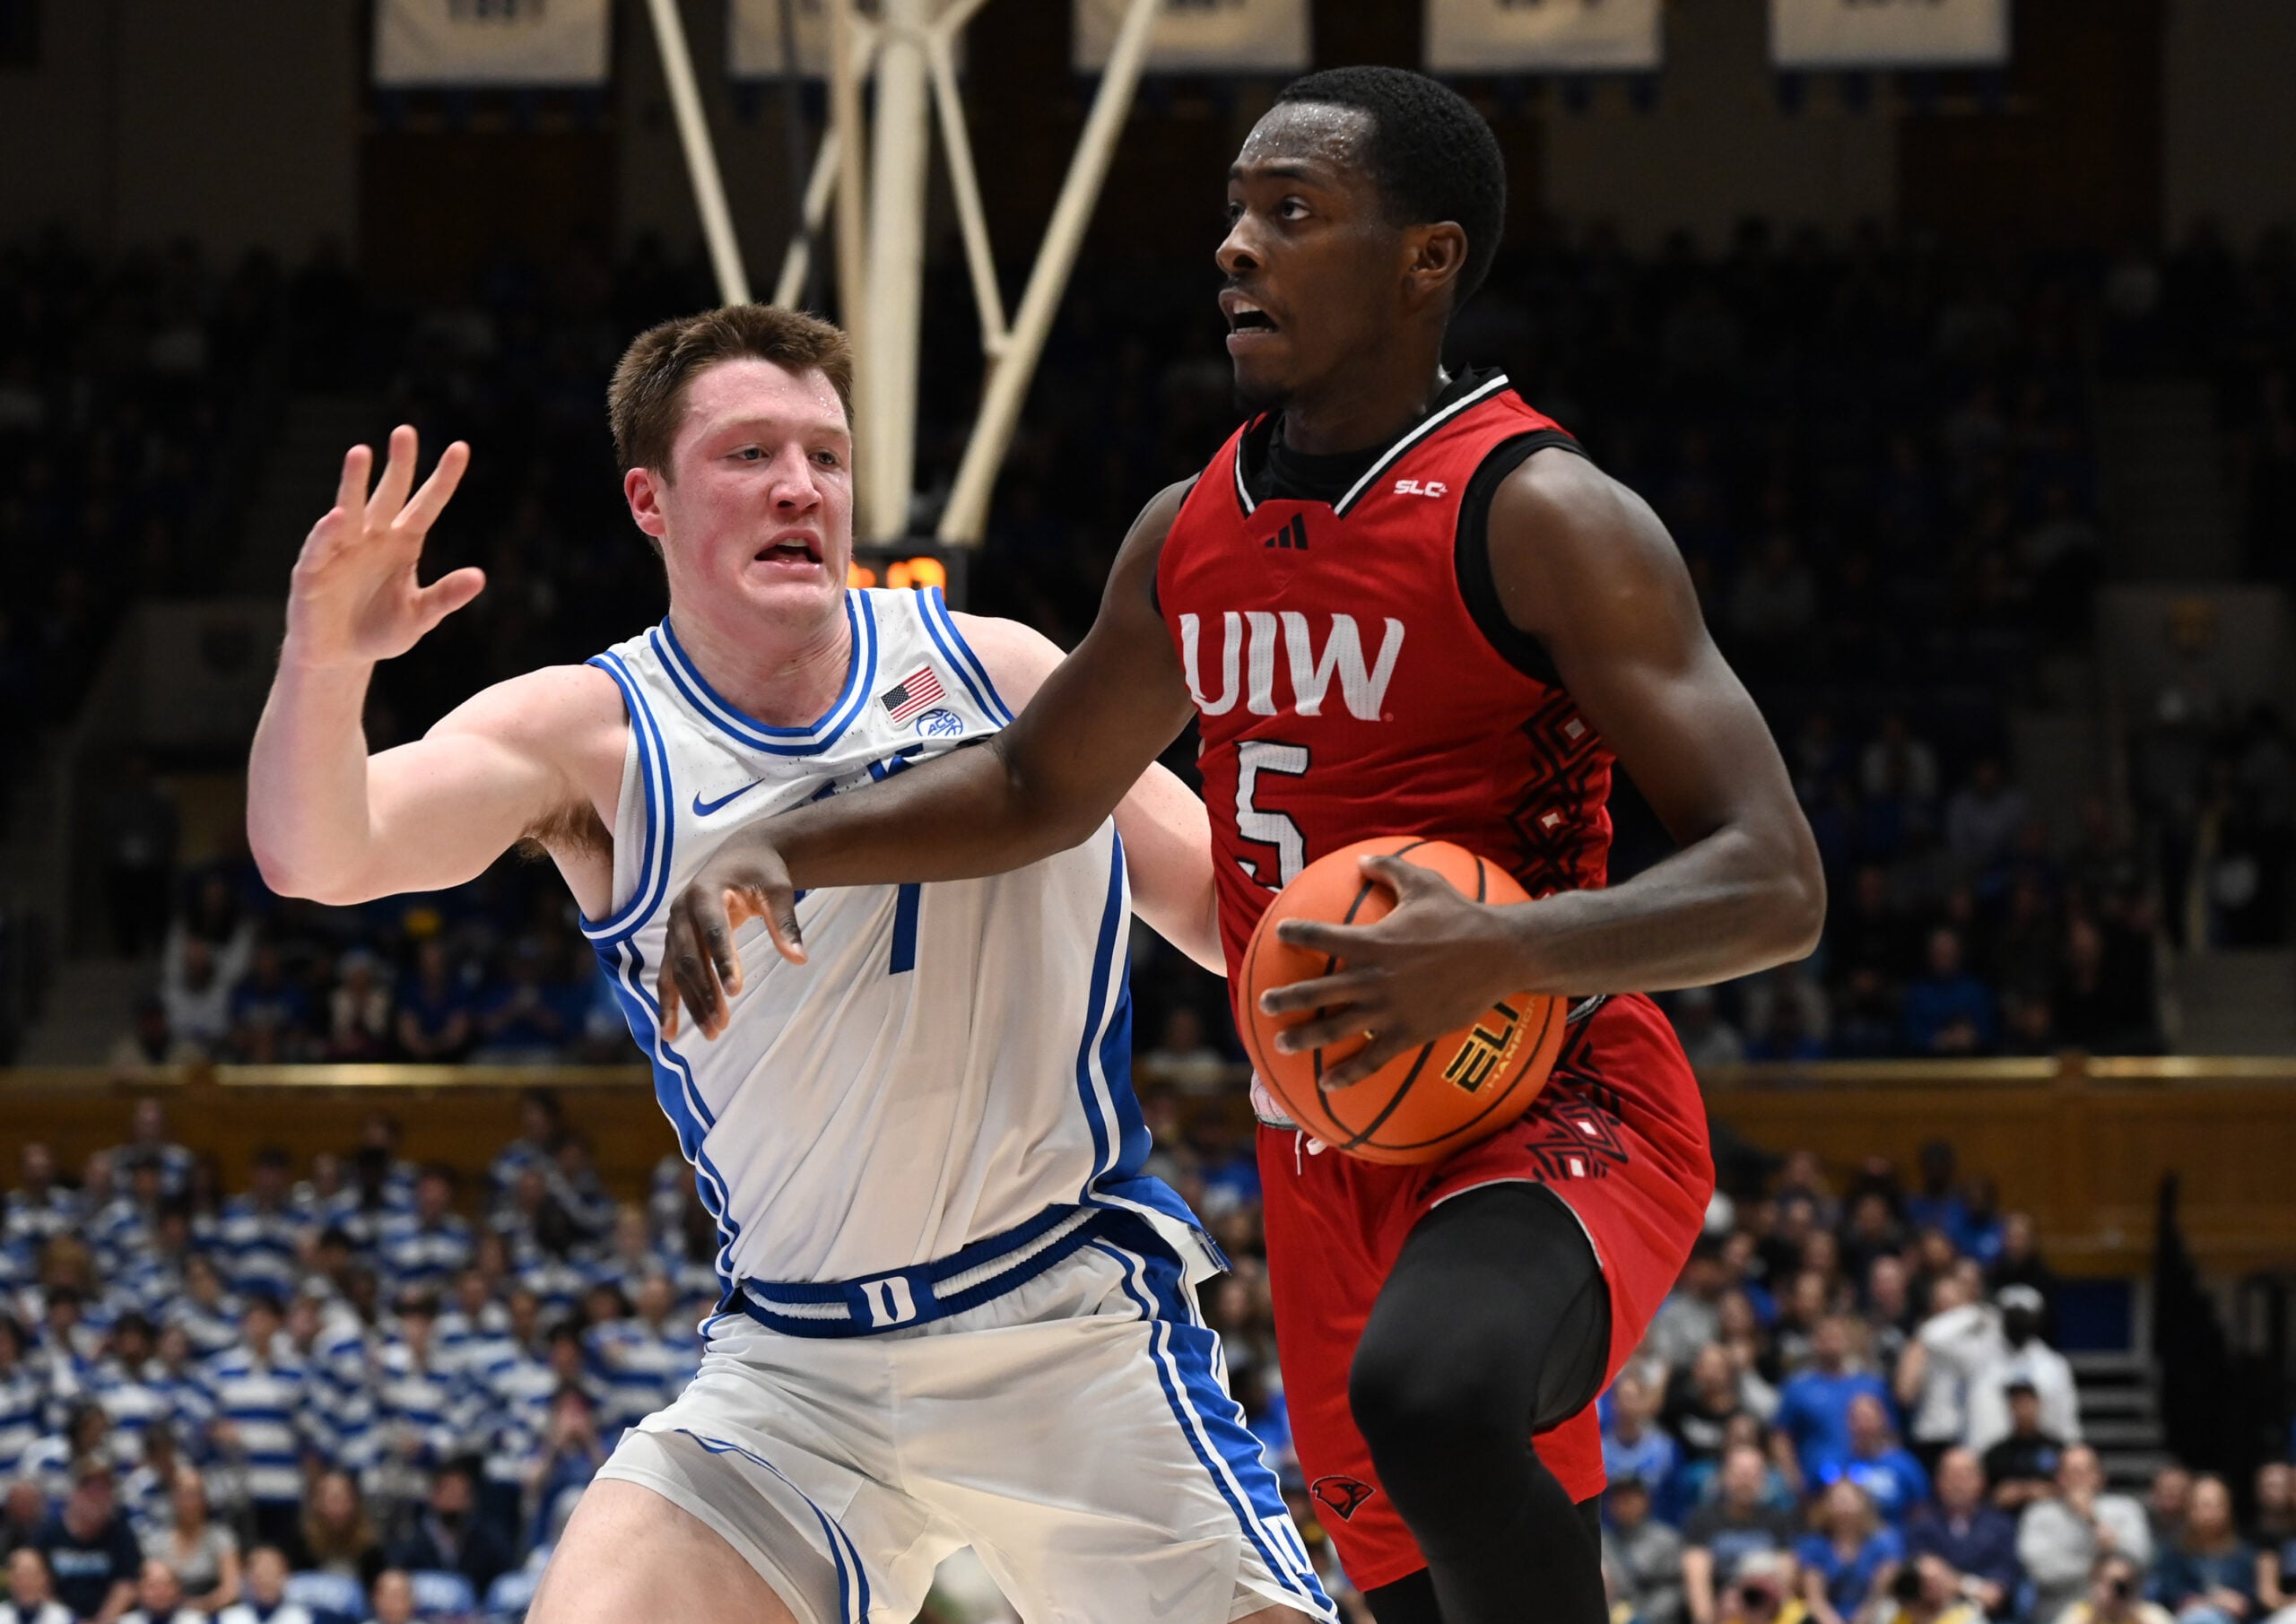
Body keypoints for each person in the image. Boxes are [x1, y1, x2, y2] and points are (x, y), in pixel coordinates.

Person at [659, 65, 1822, 1624]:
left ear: (1429, 260)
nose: (1236, 248)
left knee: (1435, 1396)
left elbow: (1776, 878)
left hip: (1545, 1087)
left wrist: (1506, 947)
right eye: (1234, 213)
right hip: (1322, 1132)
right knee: (1419, 1559)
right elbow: (1031, 788)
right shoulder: (1189, 529)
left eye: (1293, 214)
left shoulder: (1543, 513)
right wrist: (777, 846)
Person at [242, 308, 1328, 1624]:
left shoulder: (1001, 672)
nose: (800, 484)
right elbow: (319, 852)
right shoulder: (593, 733)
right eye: (749, 452)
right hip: (797, 1362)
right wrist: (324, 658)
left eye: (825, 452)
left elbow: (1236, 916)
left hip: (1059, 1323)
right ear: (648, 498)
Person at [2020, 1446, 2152, 1624]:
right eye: (2071, 1472)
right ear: (2059, 1478)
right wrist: (2097, 1571)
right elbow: (2041, 1571)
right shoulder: (2039, 1514)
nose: (2079, 1478)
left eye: (2085, 1471)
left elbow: (2142, 1557)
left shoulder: (2126, 1508)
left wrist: (2094, 1521)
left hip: (2123, 1608)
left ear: (2099, 1476)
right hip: (2062, 1607)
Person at [1686, 1446, 1805, 1624]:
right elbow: (1696, 1577)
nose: (1745, 1481)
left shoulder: (1778, 1519)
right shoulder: (1703, 1518)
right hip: (1721, 1613)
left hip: (1768, 1610)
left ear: (1764, 1479)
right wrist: (1706, 1619)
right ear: (1725, 1476)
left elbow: (1786, 1574)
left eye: (1752, 1474)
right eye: (1739, 1473)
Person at [1776, 1317, 1893, 1488]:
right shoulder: (1798, 1388)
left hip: (1868, 1481)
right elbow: (1782, 1437)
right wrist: (1793, 1478)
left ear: (1848, 1341)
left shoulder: (1871, 1385)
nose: (1831, 1344)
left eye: (1836, 1337)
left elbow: (1890, 1433)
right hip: (1816, 1483)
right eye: (1825, 1338)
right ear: (1814, 1342)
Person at [1903, 1447, 2021, 1618]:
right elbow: (1921, 1580)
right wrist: (1972, 1587)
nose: (1958, 1483)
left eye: (1965, 1475)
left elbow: (1995, 1593)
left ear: (1981, 1481)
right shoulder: (1921, 1524)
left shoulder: (2001, 1526)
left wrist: (1951, 1581)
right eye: (1951, 1476)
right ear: (1938, 1481)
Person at [2152, 1475, 2257, 1624]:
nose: (2210, 1513)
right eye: (2204, 1505)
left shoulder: (2243, 1553)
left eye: (2217, 1506)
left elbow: (2248, 1600)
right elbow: (2172, 1595)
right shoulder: (2173, 1551)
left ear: (2228, 1510)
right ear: (2190, 1509)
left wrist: (2238, 1603)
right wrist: (2213, 1601)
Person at [1796, 1480, 1904, 1624]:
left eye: (1848, 1501)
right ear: (1826, 1506)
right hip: (1828, 1618)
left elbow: (1881, 1592)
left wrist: (1864, 1617)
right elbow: (1816, 1599)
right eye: (1838, 1501)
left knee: (1889, 1610)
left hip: (1872, 1613)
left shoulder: (1883, 1543)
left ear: (1863, 1504)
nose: (1844, 1508)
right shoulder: (1815, 1545)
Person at [143, 1464, 240, 1612]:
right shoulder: (157, 1542)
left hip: (213, 1615)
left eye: (195, 1494)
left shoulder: (220, 1537)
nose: (190, 1502)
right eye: (184, 1494)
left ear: (204, 1499)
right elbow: (148, 1587)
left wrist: (198, 1608)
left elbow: (231, 1590)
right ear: (174, 1498)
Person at [1606, 1475, 1687, 1624]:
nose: (1624, 1503)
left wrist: (1646, 1618)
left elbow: (1674, 1589)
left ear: (1645, 1501)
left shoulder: (1666, 1540)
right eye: (1618, 1498)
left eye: (1630, 1497)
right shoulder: (1602, 1542)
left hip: (1654, 1617)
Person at [1981, 1381, 2066, 1510]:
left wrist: (2049, 1492)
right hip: (2007, 1521)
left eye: (2027, 1403)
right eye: (2017, 1403)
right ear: (2010, 1408)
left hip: (2050, 1517)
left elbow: (2071, 1487)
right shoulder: (1995, 1454)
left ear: (2038, 1405)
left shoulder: (2058, 1448)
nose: (2023, 1410)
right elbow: (1983, 1495)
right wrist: (2001, 1496)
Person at [2057, 1553, 2176, 1624]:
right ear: (2095, 1583)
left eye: (2123, 1585)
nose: (2116, 1591)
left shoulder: (2149, 1614)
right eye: (2111, 1583)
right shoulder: (2080, 1613)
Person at [212, 1547, 313, 1624]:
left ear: (286, 1576)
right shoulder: (227, 1619)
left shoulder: (308, 1617)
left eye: (271, 1573)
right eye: (259, 1575)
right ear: (247, 1578)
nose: (265, 1581)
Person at [116, 1559, 203, 1624]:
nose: (160, 1592)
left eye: (166, 1585)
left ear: (178, 1589)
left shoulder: (195, 1621)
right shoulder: (125, 1622)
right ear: (139, 1590)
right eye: (152, 1586)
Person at [0, 1549, 74, 1624]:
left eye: (33, 1575)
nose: (27, 1582)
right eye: (20, 1575)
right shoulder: (2, 1615)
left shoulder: (64, 1617)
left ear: (46, 1578)